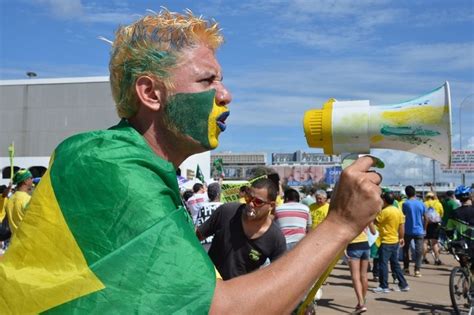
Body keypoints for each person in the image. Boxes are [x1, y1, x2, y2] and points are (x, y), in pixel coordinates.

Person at [0, 10, 384, 314]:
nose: (226, 94)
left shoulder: (138, 167)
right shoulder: (107, 162)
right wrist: (340, 223)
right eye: (207, 81)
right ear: (151, 92)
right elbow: (221, 310)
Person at [196, 178, 287, 279]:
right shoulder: (226, 212)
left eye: (258, 202)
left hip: (241, 292)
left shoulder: (275, 237)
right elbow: (196, 236)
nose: (251, 204)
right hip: (210, 284)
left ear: (271, 206)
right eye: (248, 198)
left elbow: (279, 275)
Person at [373, 191, 410, 293]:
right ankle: (403, 284)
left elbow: (375, 221)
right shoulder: (398, 211)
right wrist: (401, 238)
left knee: (383, 264)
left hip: (386, 241)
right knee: (395, 264)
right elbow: (401, 226)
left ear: (384, 200)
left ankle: (384, 286)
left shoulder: (384, 212)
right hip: (395, 240)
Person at [347, 222, 375, 313]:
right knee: (364, 275)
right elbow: (373, 232)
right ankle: (361, 301)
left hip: (353, 246)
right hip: (365, 245)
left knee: (355, 276)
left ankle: (361, 303)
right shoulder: (366, 215)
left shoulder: (350, 215)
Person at [402, 185, 426, 277]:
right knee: (419, 251)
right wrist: (424, 228)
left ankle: (406, 268)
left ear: (406, 194)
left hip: (408, 230)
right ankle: (417, 270)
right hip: (419, 230)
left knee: (405, 250)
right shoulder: (421, 203)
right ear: (415, 192)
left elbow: (404, 215)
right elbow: (426, 217)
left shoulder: (405, 204)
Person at [5, 169, 33, 235]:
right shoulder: (28, 199)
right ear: (25, 181)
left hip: (14, 241)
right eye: (31, 178)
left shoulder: (10, 199)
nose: (32, 180)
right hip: (27, 240)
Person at [196, 182, 223, 251]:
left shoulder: (202, 207)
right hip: (218, 243)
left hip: (203, 242)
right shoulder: (223, 207)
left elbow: (198, 225)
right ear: (218, 194)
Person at [422, 191, 444, 265]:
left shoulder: (424, 204)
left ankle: (424, 258)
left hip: (426, 224)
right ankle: (437, 259)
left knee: (425, 242)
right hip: (435, 225)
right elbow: (442, 214)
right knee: (434, 243)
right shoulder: (438, 203)